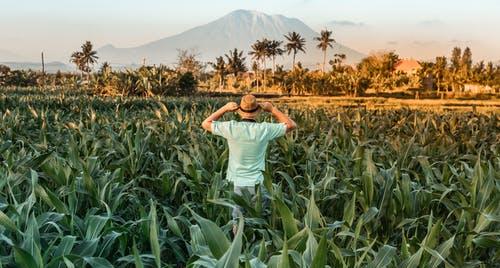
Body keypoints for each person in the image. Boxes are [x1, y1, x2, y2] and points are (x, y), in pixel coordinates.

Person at [201, 94, 297, 234]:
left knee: (237, 223)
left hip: (237, 184)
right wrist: (272, 109)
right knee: (259, 221)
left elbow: (205, 123)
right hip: (259, 184)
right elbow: (291, 125)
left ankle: (240, 250)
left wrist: (225, 108)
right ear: (257, 111)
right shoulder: (264, 129)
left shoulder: (232, 128)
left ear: (240, 111)